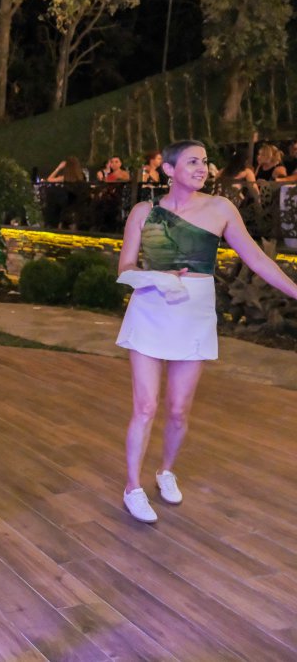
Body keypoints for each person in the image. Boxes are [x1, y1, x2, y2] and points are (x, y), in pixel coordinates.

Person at [115, 139, 297, 523]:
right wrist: (155, 276)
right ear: (169, 170)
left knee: (178, 410)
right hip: (150, 311)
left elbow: (257, 258)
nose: (203, 168)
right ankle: (132, 487)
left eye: (205, 161)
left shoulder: (220, 209)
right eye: (193, 161)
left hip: (193, 314)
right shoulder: (144, 212)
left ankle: (166, 471)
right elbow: (125, 269)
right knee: (145, 407)